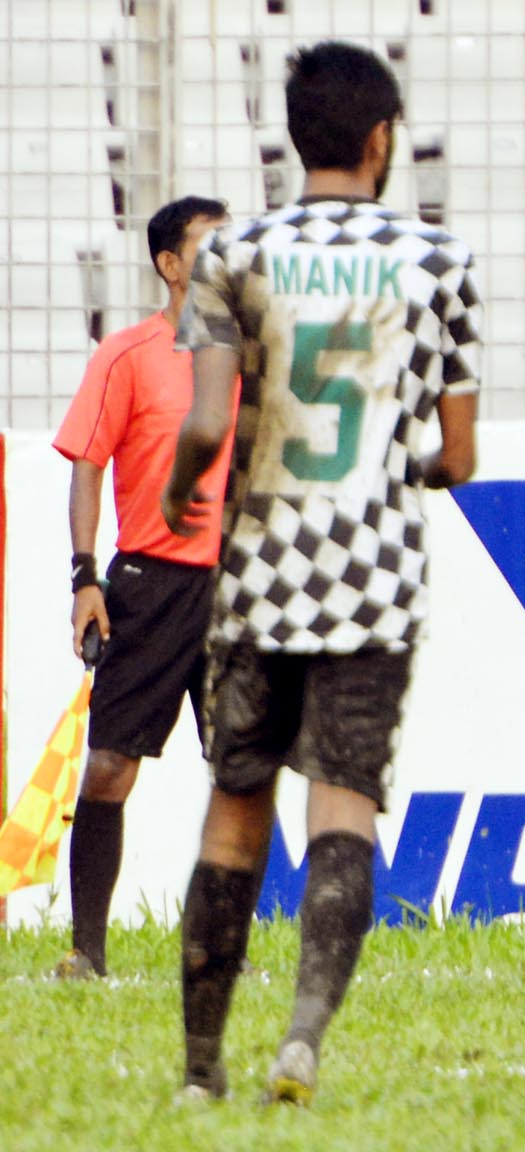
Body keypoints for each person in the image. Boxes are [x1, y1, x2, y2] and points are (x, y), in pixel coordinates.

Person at [162, 40, 480, 1106]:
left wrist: (175, 496)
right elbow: (462, 455)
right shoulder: (435, 260)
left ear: (297, 136)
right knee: (342, 809)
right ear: (381, 139)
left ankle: (202, 1069)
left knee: (233, 808)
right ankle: (300, 1040)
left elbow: (209, 424)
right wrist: (408, 471)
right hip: (373, 577)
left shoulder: (231, 252)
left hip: (258, 571)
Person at [50, 196, 235, 981]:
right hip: (149, 585)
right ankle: (87, 951)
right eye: (211, 246)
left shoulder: (254, 355)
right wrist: (85, 576)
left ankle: (220, 950)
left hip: (238, 589)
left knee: (241, 774)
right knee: (110, 768)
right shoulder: (126, 356)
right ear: (169, 264)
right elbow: (88, 465)